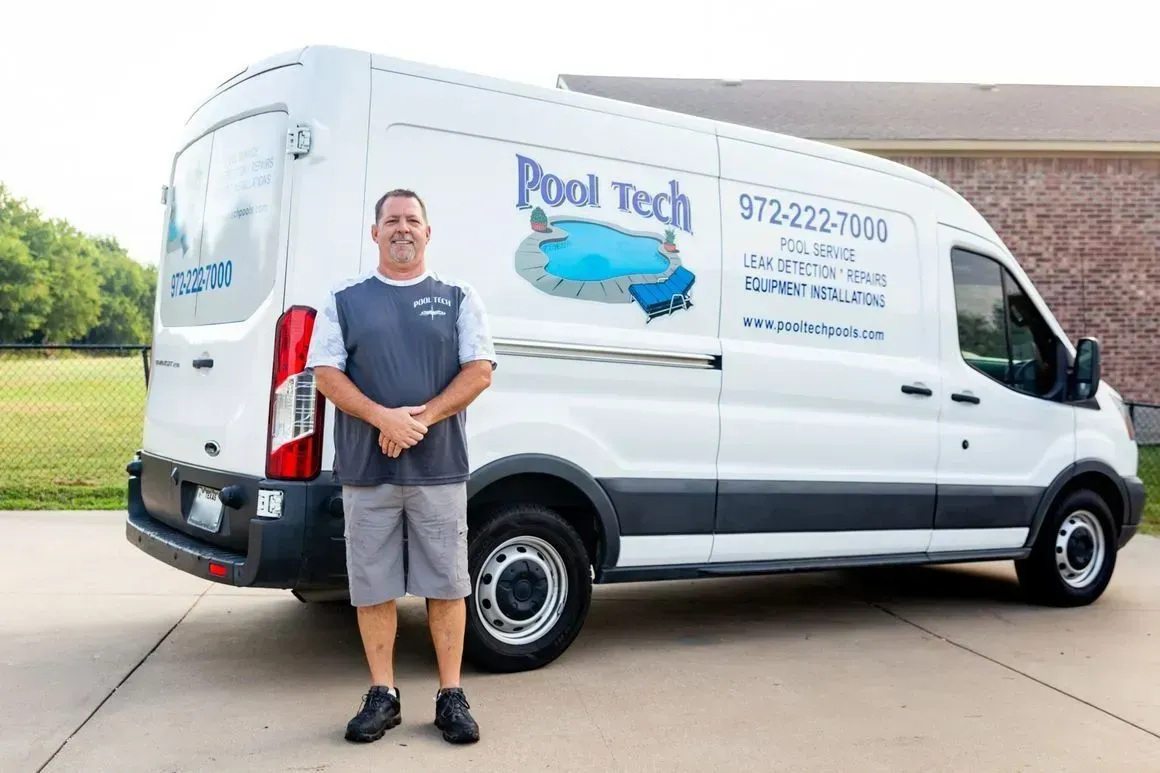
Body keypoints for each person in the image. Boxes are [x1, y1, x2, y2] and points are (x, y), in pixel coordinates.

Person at [304, 188, 496, 745]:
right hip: (368, 470)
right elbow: (326, 374)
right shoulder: (344, 298)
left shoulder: (459, 296)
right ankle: (382, 694)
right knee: (372, 585)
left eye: (413, 220)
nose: (402, 229)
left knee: (447, 583)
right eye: (392, 221)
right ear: (375, 233)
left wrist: (420, 419)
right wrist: (382, 419)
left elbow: (479, 370)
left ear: (428, 233)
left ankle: (451, 695)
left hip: (439, 469)